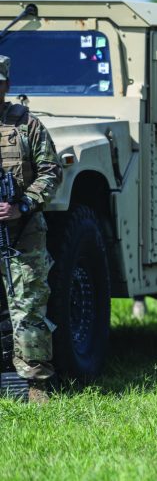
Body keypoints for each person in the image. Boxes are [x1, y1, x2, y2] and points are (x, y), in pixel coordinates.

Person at [0, 55, 62, 404]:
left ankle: (36, 387)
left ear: (6, 85)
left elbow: (51, 172)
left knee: (27, 309)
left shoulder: (28, 126)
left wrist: (21, 205)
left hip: (22, 233)